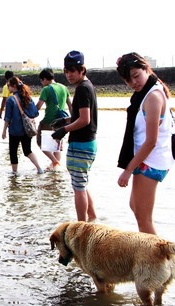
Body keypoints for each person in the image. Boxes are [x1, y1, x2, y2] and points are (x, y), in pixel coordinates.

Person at [116, 52, 175, 235]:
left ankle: (157, 260)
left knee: (143, 219)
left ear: (145, 68)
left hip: (152, 160)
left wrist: (128, 170)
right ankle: (154, 255)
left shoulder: (153, 97)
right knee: (134, 206)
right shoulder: (146, 92)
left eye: (136, 76)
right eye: (128, 80)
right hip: (146, 159)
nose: (134, 83)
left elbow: (151, 141)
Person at [51, 51, 98, 222]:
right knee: (82, 184)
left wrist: (65, 130)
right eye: (66, 71)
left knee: (78, 187)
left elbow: (85, 120)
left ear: (82, 70)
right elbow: (82, 116)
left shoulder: (82, 89)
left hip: (81, 143)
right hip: (88, 143)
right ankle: (92, 218)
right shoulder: (87, 86)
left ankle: (81, 226)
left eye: (73, 70)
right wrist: (65, 120)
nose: (69, 75)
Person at [2, 76, 44, 174]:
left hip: (14, 130)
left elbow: (7, 117)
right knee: (27, 151)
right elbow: (35, 113)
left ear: (13, 86)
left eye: (8, 86)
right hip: (27, 130)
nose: (8, 88)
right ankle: (39, 168)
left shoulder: (10, 100)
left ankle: (14, 173)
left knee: (13, 152)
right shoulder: (27, 97)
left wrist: (4, 131)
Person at [35, 68, 72, 171]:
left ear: (45, 79)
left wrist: (29, 113)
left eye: (41, 81)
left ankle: (55, 161)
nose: (42, 83)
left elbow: (38, 106)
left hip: (48, 121)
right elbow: (70, 106)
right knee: (57, 144)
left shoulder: (46, 89)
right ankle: (55, 167)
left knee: (40, 142)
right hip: (62, 121)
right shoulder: (64, 88)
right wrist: (73, 119)